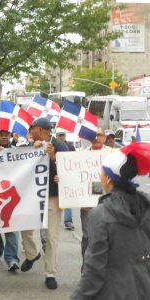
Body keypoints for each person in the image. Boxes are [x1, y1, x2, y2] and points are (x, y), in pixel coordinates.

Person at [71, 143, 150, 299]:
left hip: (112, 292)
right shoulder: (145, 204)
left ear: (108, 179)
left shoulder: (100, 214)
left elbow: (94, 270)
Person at [19, 118, 69, 290]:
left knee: (52, 237)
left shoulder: (60, 146)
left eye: (31, 129)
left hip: (53, 197)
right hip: (31, 197)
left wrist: (53, 158)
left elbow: (68, 171)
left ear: (39, 129)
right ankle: (32, 254)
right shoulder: (30, 145)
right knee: (24, 227)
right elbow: (12, 161)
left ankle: (50, 273)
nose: (29, 132)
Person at [0, 129, 20, 272]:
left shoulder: (17, 151)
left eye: (6, 134)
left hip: (11, 193)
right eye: (1, 134)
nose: (3, 136)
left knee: (12, 228)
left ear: (10, 136)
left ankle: (12, 259)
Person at [80, 127, 109, 265]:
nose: (96, 138)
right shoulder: (80, 155)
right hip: (87, 203)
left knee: (106, 237)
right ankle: (86, 269)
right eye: (94, 135)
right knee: (87, 237)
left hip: (108, 204)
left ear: (105, 137)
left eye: (100, 135)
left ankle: (104, 270)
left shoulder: (112, 155)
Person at [55, 129, 76, 231]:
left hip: (68, 176)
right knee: (55, 200)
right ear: (56, 136)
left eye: (62, 135)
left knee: (67, 198)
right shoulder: (53, 146)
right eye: (59, 135)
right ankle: (53, 221)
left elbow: (75, 161)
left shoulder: (71, 147)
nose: (61, 137)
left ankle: (68, 221)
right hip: (55, 177)